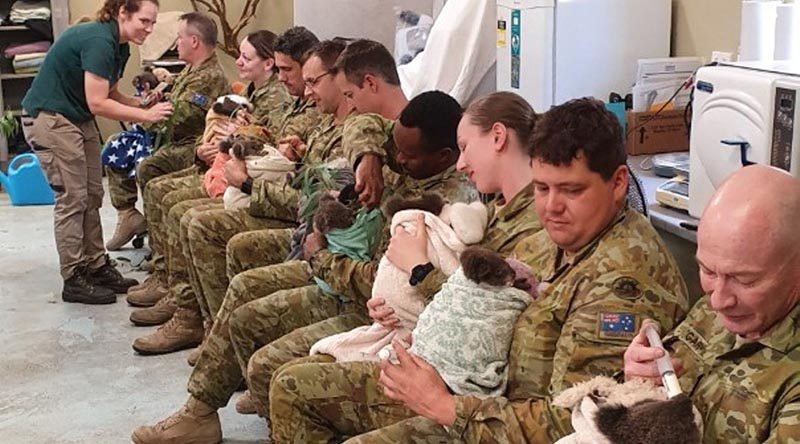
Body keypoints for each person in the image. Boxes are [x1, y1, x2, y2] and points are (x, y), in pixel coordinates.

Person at [267, 98, 690, 443]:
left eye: (571, 190)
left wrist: (447, 407)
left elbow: (576, 419)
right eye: (542, 188)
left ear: (618, 184)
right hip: (480, 390)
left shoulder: (624, 279)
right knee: (293, 384)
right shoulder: (567, 237)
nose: (551, 207)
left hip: (497, 417)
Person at [130, 89, 476, 444]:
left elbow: (388, 284)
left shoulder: (450, 201)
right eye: (395, 149)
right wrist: (368, 157)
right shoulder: (405, 153)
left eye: (408, 155)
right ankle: (200, 411)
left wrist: (320, 258)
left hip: (368, 303)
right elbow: (363, 124)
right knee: (244, 301)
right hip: (344, 274)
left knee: (268, 364)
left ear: (444, 156)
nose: (398, 159)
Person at [624, 165, 800, 442]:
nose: (717, 301)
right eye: (707, 270)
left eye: (745, 280)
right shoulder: (730, 306)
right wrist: (638, 381)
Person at [124, 30, 292, 322]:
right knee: (159, 189)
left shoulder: (275, 95)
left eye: (246, 57)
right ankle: (173, 287)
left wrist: (232, 141)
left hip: (252, 180)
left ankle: (189, 310)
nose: (238, 61)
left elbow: (271, 148)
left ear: (268, 64)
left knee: (178, 207)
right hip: (226, 164)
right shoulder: (252, 91)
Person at [20, 0, 172, 304]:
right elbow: (98, 102)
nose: (150, 28)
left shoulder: (120, 44)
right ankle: (73, 276)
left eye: (153, 23)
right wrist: (147, 117)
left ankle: (96, 264)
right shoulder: (98, 39)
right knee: (73, 198)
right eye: (144, 20)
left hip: (75, 116)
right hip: (51, 116)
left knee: (92, 193)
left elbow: (110, 92)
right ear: (122, 13)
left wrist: (140, 104)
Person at [105, 11, 227, 251]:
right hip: (173, 136)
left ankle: (161, 247)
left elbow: (183, 118)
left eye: (179, 37)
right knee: (116, 144)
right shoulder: (191, 70)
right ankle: (128, 214)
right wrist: (157, 100)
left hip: (192, 144)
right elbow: (176, 103)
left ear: (194, 41)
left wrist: (144, 118)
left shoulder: (209, 76)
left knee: (148, 165)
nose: (175, 43)